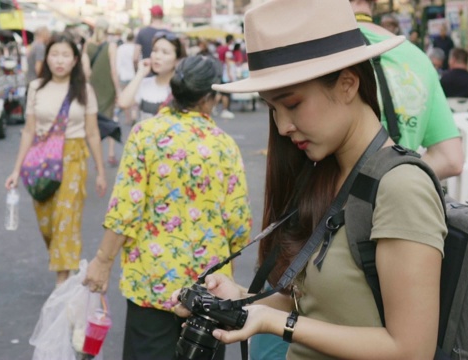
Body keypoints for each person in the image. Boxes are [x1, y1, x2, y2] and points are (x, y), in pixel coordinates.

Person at [172, 2, 446, 360]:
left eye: (294, 104)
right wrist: (238, 300)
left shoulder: (401, 188)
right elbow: (321, 304)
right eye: (273, 109)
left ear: (348, 83)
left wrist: (276, 323)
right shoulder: (330, 173)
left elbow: (411, 350)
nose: (283, 126)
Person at [83, 55, 252, 360]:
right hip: (208, 291)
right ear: (209, 98)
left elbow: (125, 210)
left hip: (151, 284)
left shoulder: (145, 134)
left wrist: (101, 261)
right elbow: (238, 224)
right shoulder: (224, 145)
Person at [5, 32, 107, 286]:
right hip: (40, 161)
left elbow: (93, 133)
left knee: (66, 219)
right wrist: (16, 170)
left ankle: (63, 279)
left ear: (74, 60)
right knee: (47, 223)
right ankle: (65, 264)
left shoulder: (84, 90)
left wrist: (101, 170)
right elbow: (28, 130)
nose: (59, 60)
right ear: (46, 57)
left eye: (65, 55)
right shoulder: (36, 88)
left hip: (73, 158)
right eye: (55, 54)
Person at [350, 0, 462, 180]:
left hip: (334, 201)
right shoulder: (418, 57)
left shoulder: (324, 53)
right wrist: (396, 182)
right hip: (397, 200)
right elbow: (450, 159)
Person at [117, 31, 186, 122]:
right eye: (154, 50)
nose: (157, 56)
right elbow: (123, 103)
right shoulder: (145, 83)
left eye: (165, 53)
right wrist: (140, 73)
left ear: (177, 60)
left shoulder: (183, 88)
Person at [85, 18, 120, 167]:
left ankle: (95, 155)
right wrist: (118, 90)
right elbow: (113, 71)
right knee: (110, 119)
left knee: (93, 122)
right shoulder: (111, 46)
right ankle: (111, 153)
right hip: (108, 88)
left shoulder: (87, 45)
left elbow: (86, 71)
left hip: (92, 88)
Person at [115, 31, 137, 127]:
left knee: (125, 97)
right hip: (134, 76)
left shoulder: (121, 48)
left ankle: (128, 117)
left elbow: (118, 63)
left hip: (123, 76)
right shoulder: (135, 48)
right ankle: (134, 115)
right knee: (134, 97)